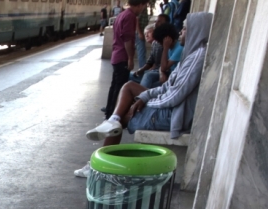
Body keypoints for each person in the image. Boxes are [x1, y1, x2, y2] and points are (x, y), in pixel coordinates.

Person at [86, 12, 212, 145]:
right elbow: (167, 86)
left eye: (185, 28)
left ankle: (100, 162)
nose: (180, 31)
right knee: (129, 86)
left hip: (175, 115)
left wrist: (148, 103)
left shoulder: (197, 58)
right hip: (172, 108)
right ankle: (112, 120)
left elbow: (175, 95)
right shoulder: (190, 55)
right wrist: (144, 97)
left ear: (196, 31)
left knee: (123, 118)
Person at [103, 0, 147, 120]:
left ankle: (109, 111)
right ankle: (114, 114)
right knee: (121, 88)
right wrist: (130, 58)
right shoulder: (130, 16)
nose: (143, 9)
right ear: (140, 4)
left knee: (114, 86)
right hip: (122, 56)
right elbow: (127, 39)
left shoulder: (121, 14)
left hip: (116, 55)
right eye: (144, 5)